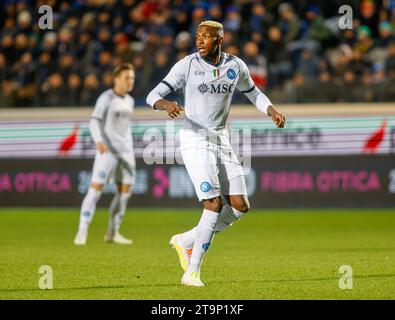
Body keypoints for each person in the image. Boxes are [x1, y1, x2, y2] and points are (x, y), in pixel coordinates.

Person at [146, 21, 285, 286]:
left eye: (206, 37)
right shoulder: (187, 65)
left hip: (221, 139)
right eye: (198, 36)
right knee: (213, 204)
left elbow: (254, 93)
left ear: (219, 40)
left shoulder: (235, 66)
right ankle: (192, 272)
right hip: (195, 139)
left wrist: (272, 111)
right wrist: (165, 104)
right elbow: (152, 95)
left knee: (241, 207)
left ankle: (186, 240)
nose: (199, 41)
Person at [74, 63, 136, 245]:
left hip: (126, 152)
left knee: (124, 193)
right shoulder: (106, 98)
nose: (130, 81)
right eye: (127, 77)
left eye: (132, 78)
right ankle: (82, 231)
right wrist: (99, 141)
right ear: (116, 79)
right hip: (107, 152)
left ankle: (113, 232)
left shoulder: (130, 100)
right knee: (95, 191)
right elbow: (94, 121)